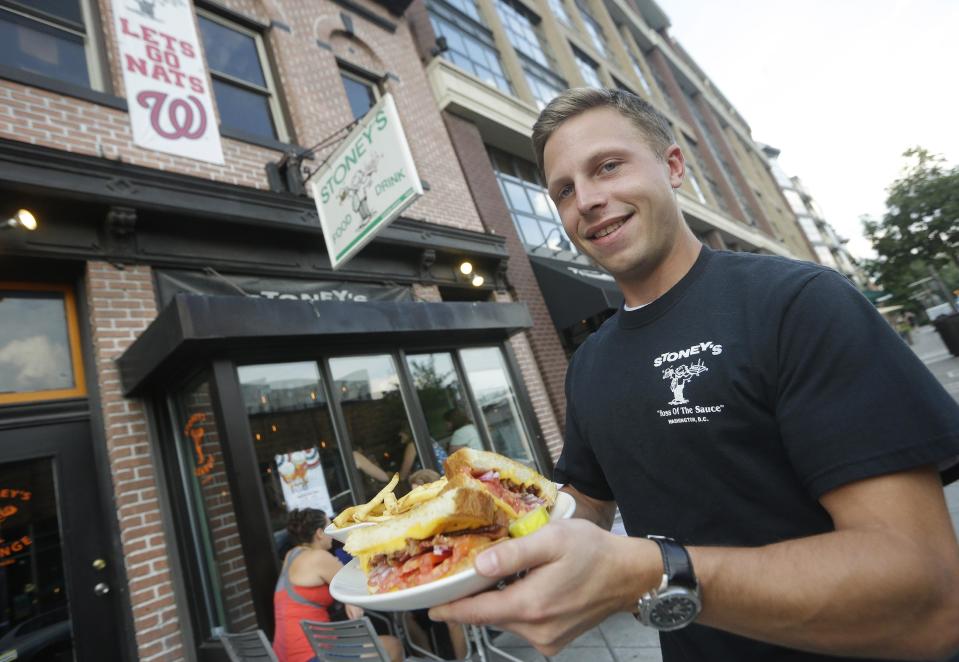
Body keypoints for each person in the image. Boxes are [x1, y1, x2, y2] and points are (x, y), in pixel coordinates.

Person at [429, 88, 959, 661]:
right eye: (564, 190)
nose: (587, 199)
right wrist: (480, 528)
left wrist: (651, 573)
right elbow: (586, 500)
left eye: (607, 166)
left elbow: (929, 599)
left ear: (673, 166)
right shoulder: (589, 362)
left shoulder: (798, 302)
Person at [273, 508, 404, 662]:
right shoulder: (319, 557)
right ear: (320, 533)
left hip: (283, 653)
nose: (333, 535)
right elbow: (355, 584)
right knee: (393, 645)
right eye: (330, 527)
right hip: (312, 653)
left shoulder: (292, 554)